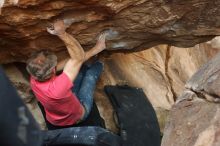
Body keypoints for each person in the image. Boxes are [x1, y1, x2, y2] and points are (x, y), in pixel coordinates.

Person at [26, 20, 107, 128]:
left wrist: (87, 55)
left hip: (54, 119)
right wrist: (61, 33)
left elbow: (72, 61)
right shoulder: (59, 87)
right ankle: (101, 62)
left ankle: (91, 59)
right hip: (78, 116)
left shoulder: (34, 76)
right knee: (90, 76)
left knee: (76, 66)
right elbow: (78, 57)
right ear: (53, 71)